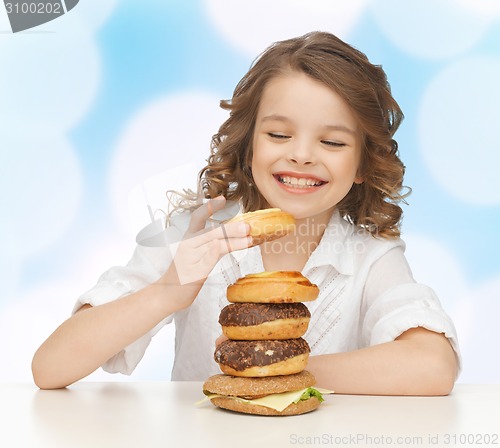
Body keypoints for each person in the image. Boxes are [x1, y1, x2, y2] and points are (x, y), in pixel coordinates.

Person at [32, 31, 460, 394]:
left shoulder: (370, 257)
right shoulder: (194, 235)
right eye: (278, 133)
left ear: (365, 165)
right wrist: (168, 290)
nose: (302, 155)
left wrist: (279, 369)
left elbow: (434, 365)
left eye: (332, 142)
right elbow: (50, 368)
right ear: (249, 141)